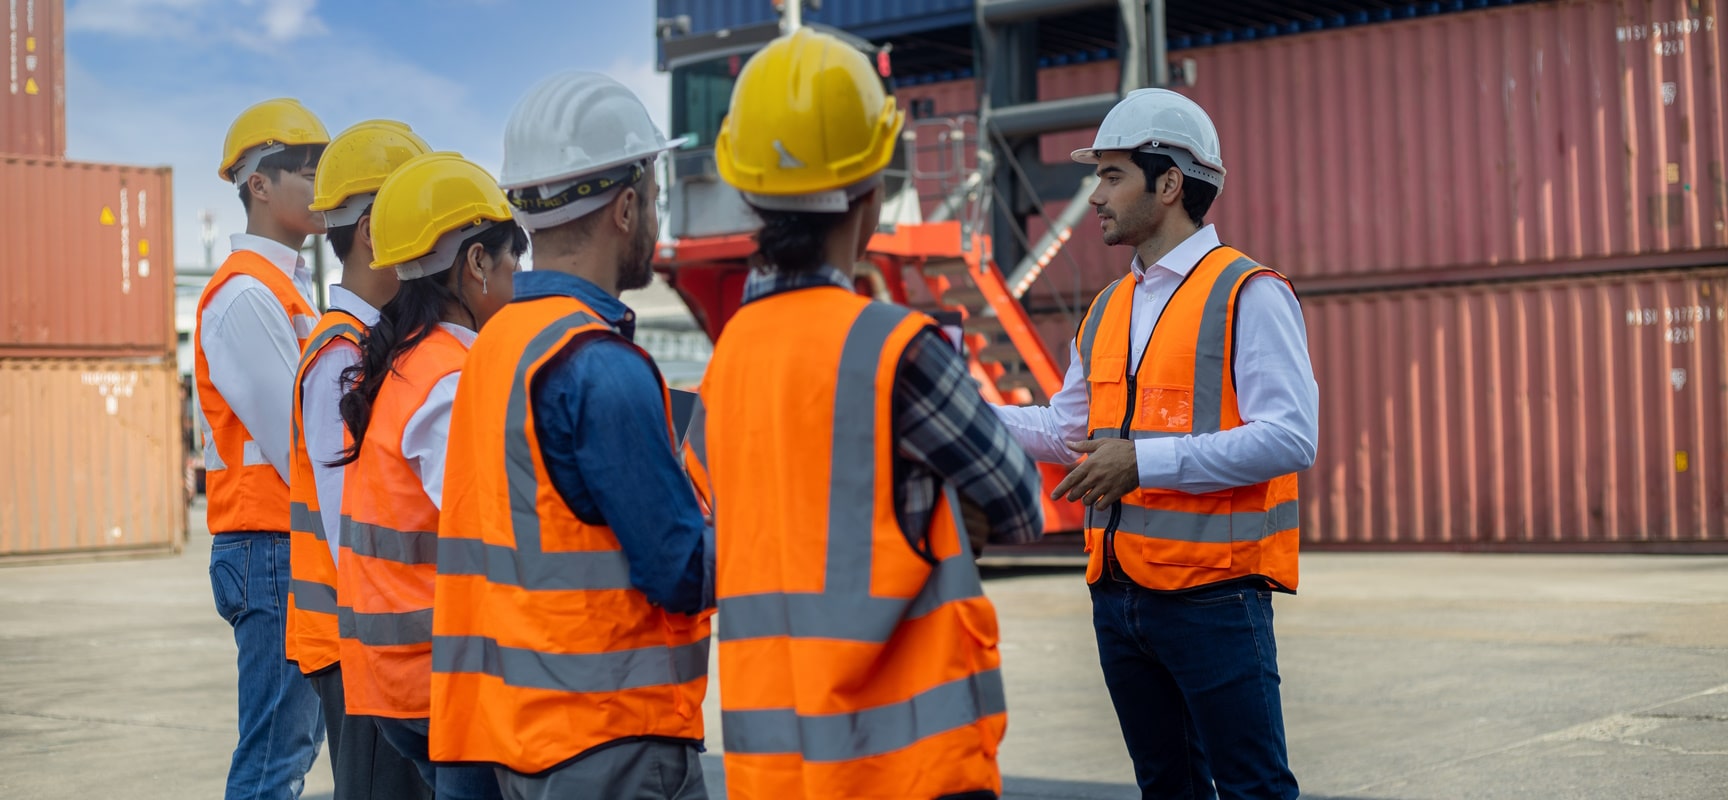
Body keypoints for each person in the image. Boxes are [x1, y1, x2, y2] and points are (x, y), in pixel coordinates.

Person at [685, 28, 1045, 799]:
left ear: (747, 195)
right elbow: (1020, 504)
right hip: (908, 764)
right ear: (873, 192)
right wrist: (938, 512)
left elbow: (726, 541)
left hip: (772, 770)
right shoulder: (894, 347)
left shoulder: (727, 364)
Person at [992, 88, 1318, 800]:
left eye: (1112, 176)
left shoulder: (1248, 292)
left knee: (1253, 787)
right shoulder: (1110, 305)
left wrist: (1144, 462)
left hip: (1214, 598)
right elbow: (1066, 432)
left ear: (1169, 182)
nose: (1096, 195)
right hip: (1118, 596)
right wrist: (964, 413)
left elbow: (1292, 437)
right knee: (1165, 788)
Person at [429, 70, 712, 800]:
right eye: (651, 197)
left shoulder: (494, 346)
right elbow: (680, 570)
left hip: (515, 740)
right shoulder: (601, 367)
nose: (655, 215)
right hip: (612, 741)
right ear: (626, 208)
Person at [332, 152, 524, 800]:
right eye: (511, 259)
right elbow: (489, 531)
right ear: (474, 265)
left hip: (396, 678)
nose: (519, 275)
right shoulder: (448, 380)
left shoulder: (405, 361)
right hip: (439, 681)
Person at [288, 119, 435, 799]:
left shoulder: (372, 345)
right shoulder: (339, 358)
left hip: (376, 644)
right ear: (377, 231)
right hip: (358, 649)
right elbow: (353, 527)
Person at [197, 96, 329, 800]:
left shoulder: (290, 292)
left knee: (291, 752)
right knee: (276, 760)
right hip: (269, 547)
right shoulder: (247, 295)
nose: (323, 188)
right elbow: (299, 443)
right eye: (308, 171)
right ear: (260, 184)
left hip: (282, 544)